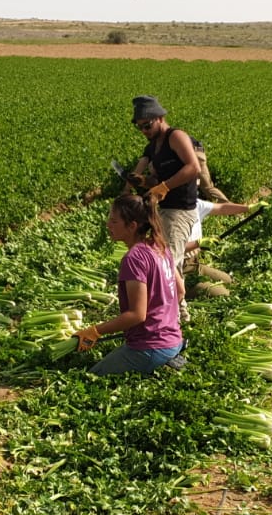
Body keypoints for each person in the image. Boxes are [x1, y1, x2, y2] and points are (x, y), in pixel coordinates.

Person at [74, 194, 186, 375]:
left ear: (132, 226)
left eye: (114, 222)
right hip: (174, 340)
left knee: (91, 376)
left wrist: (94, 331)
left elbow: (137, 315)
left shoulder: (134, 258)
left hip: (151, 348)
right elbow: (180, 291)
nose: (108, 225)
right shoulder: (160, 247)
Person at [126, 95, 201, 270]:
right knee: (165, 261)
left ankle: (175, 297)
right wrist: (144, 181)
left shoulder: (175, 136)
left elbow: (193, 167)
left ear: (160, 118)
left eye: (147, 125)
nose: (144, 131)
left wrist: (164, 187)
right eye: (140, 128)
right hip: (164, 210)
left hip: (180, 212)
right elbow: (158, 181)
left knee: (169, 266)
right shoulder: (154, 146)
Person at [184, 197, 253, 298]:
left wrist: (248, 208)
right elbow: (170, 249)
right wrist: (198, 243)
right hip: (180, 270)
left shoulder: (194, 203)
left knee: (229, 281)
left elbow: (222, 208)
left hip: (195, 264)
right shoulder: (169, 214)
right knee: (224, 295)